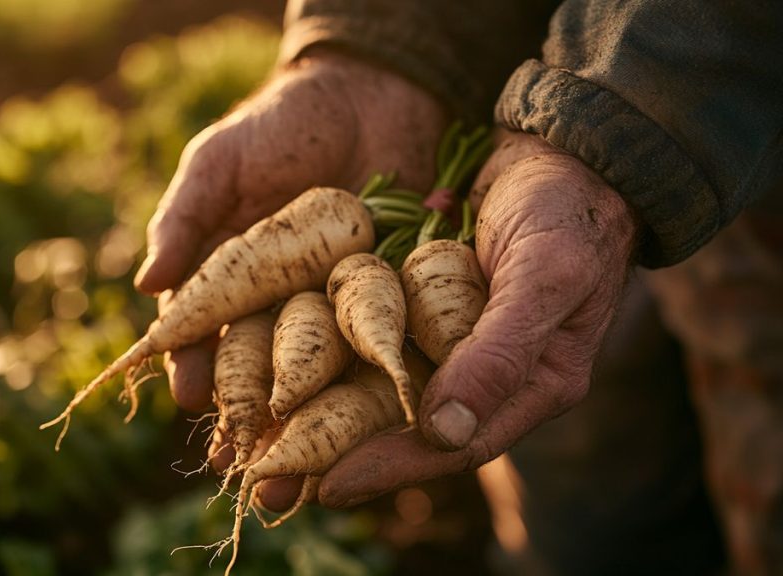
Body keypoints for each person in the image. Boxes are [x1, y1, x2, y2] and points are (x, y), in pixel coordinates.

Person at [133, 1, 783, 573]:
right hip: (533, 203)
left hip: (750, 146)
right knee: (577, 478)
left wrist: (608, 133)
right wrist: (379, 39)